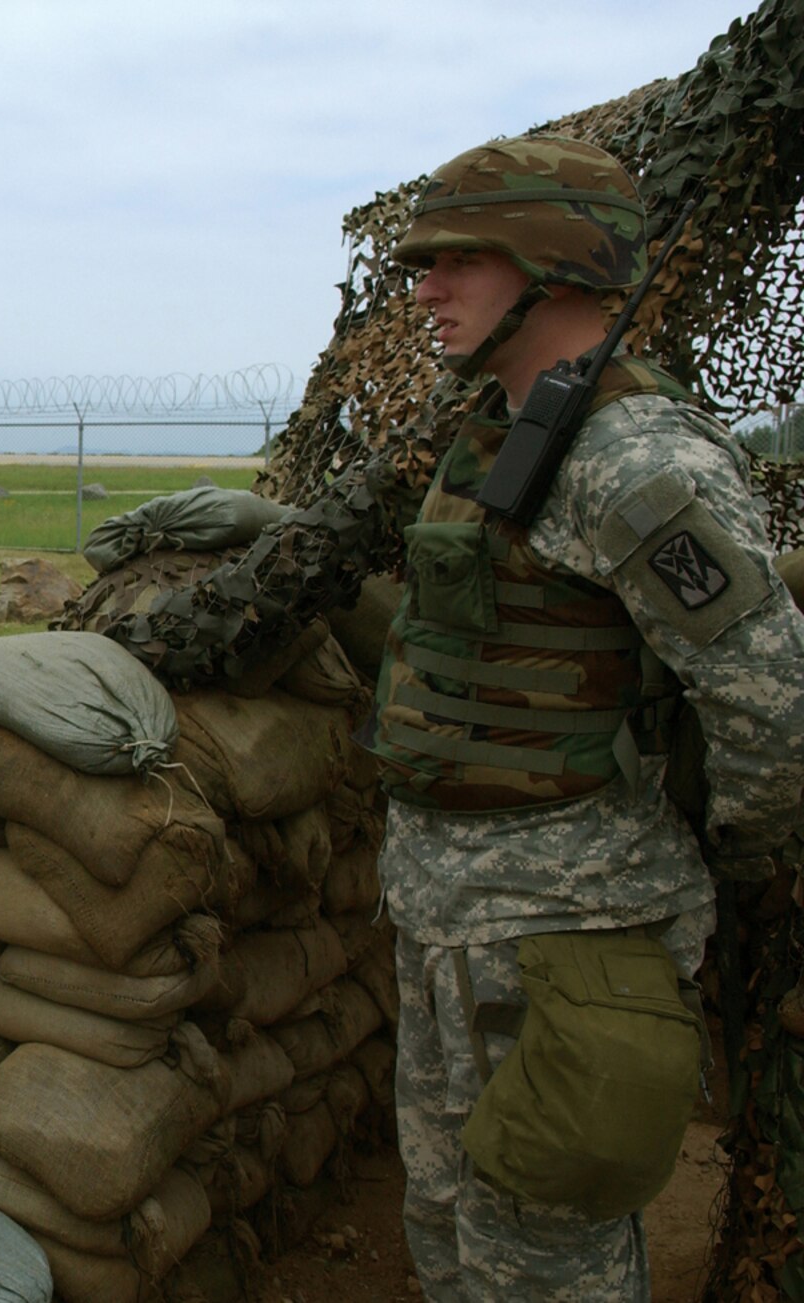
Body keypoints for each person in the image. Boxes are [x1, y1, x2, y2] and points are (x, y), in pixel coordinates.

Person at [363, 137, 804, 1299]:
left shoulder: (631, 458)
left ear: (549, 266)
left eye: (456, 261)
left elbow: (770, 699)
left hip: (567, 932)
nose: (423, 289)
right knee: (453, 1234)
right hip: (450, 922)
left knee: (545, 1259)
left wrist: (737, 851)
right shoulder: (503, 435)